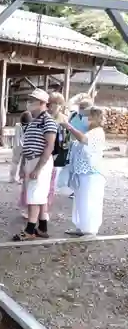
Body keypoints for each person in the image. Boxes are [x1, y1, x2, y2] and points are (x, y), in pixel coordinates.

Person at [13, 89, 57, 241]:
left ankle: (30, 229)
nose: (29, 103)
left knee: (34, 196)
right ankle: (42, 227)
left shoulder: (48, 121)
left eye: (33, 100)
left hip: (40, 161)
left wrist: (38, 168)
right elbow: (27, 146)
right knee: (39, 196)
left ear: (42, 103)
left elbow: (49, 146)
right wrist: (23, 166)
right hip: (31, 160)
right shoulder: (33, 121)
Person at [61, 107, 106, 236]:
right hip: (81, 172)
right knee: (80, 201)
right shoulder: (90, 131)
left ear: (94, 118)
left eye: (88, 116)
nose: (85, 119)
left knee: (89, 201)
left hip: (92, 173)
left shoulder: (97, 132)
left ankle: (89, 229)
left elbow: (83, 140)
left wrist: (69, 127)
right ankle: (80, 226)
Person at [67, 97, 93, 199]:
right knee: (73, 167)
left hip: (85, 147)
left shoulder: (91, 119)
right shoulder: (74, 115)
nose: (81, 109)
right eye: (80, 107)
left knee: (84, 169)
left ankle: (84, 189)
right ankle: (76, 189)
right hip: (73, 146)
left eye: (83, 107)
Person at [47, 92, 69, 206]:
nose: (55, 106)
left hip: (58, 151)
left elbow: (66, 138)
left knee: (53, 177)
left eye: (58, 103)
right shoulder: (44, 116)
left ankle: (48, 201)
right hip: (45, 149)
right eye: (54, 103)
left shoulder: (64, 118)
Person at [10, 111, 33, 183]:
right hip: (26, 145)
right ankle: (21, 178)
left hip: (17, 145)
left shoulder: (18, 125)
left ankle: (12, 178)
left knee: (14, 162)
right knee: (24, 163)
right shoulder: (31, 125)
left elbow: (16, 137)